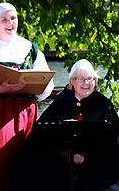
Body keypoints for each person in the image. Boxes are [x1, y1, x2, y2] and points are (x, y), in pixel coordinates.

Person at [0, 2, 54, 191]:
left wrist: (32, 83)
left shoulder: (30, 49)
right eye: (4, 19)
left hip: (26, 114)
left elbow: (47, 88)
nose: (10, 23)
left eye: (13, 18)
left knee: (25, 169)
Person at [11, 59, 119, 191]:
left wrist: (86, 156)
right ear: (72, 81)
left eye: (90, 79)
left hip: (94, 165)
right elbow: (41, 135)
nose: (86, 83)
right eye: (80, 79)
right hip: (61, 163)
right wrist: (65, 153)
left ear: (95, 81)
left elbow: (113, 139)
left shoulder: (103, 105)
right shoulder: (61, 103)